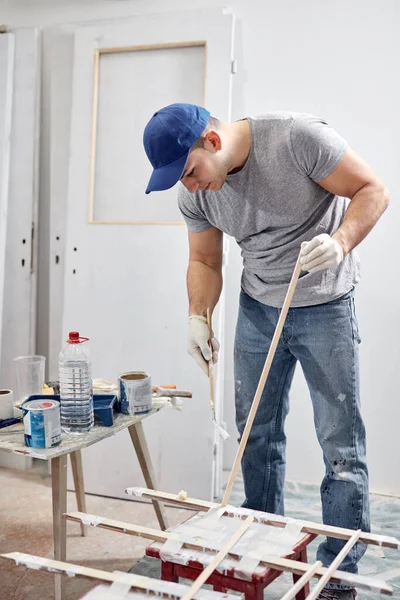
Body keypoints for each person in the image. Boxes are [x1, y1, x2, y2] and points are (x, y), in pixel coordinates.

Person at [142, 103, 389, 599]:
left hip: (325, 304)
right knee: (255, 434)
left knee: (340, 445)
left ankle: (338, 578)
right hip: (259, 307)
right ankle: (263, 549)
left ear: (211, 141)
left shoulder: (297, 139)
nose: (188, 187)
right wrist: (198, 315)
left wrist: (340, 242)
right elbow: (204, 259)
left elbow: (373, 191)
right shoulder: (198, 193)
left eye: (188, 172)